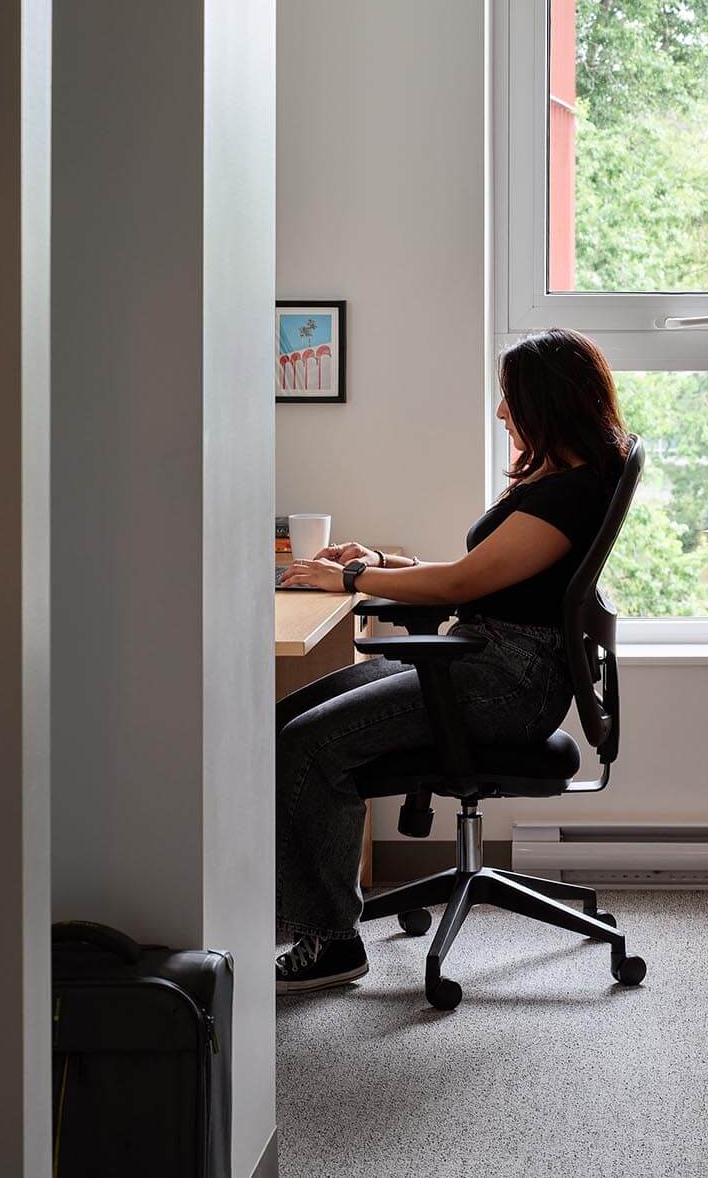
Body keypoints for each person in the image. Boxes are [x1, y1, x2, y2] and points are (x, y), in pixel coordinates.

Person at [274, 327, 631, 993]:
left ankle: (330, 940)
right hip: (482, 658)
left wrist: (350, 582)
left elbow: (463, 586)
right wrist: (380, 565)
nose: (501, 413)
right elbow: (477, 575)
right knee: (283, 722)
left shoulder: (569, 495)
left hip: (503, 681)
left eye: (509, 400)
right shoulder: (562, 483)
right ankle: (300, 908)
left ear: (545, 404)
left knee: (306, 745)